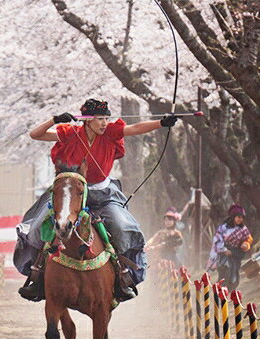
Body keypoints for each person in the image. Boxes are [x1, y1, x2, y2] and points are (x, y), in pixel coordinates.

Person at [14, 98, 178, 302]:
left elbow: (135, 128)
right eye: (100, 118)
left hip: (102, 195)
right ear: (87, 120)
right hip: (68, 191)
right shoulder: (70, 133)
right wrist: (54, 120)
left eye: (106, 118)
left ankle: (123, 276)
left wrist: (161, 123)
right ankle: (36, 276)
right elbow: (35, 135)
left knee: (123, 226)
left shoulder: (110, 132)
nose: (104, 123)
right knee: (38, 227)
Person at [206, 204, 253, 290]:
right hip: (224, 256)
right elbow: (217, 241)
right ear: (233, 217)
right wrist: (224, 250)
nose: (240, 219)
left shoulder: (243, 229)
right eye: (238, 217)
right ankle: (220, 295)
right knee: (224, 276)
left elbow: (248, 239)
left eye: (242, 217)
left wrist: (246, 244)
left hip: (236, 255)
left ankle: (230, 295)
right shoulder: (223, 228)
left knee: (234, 279)